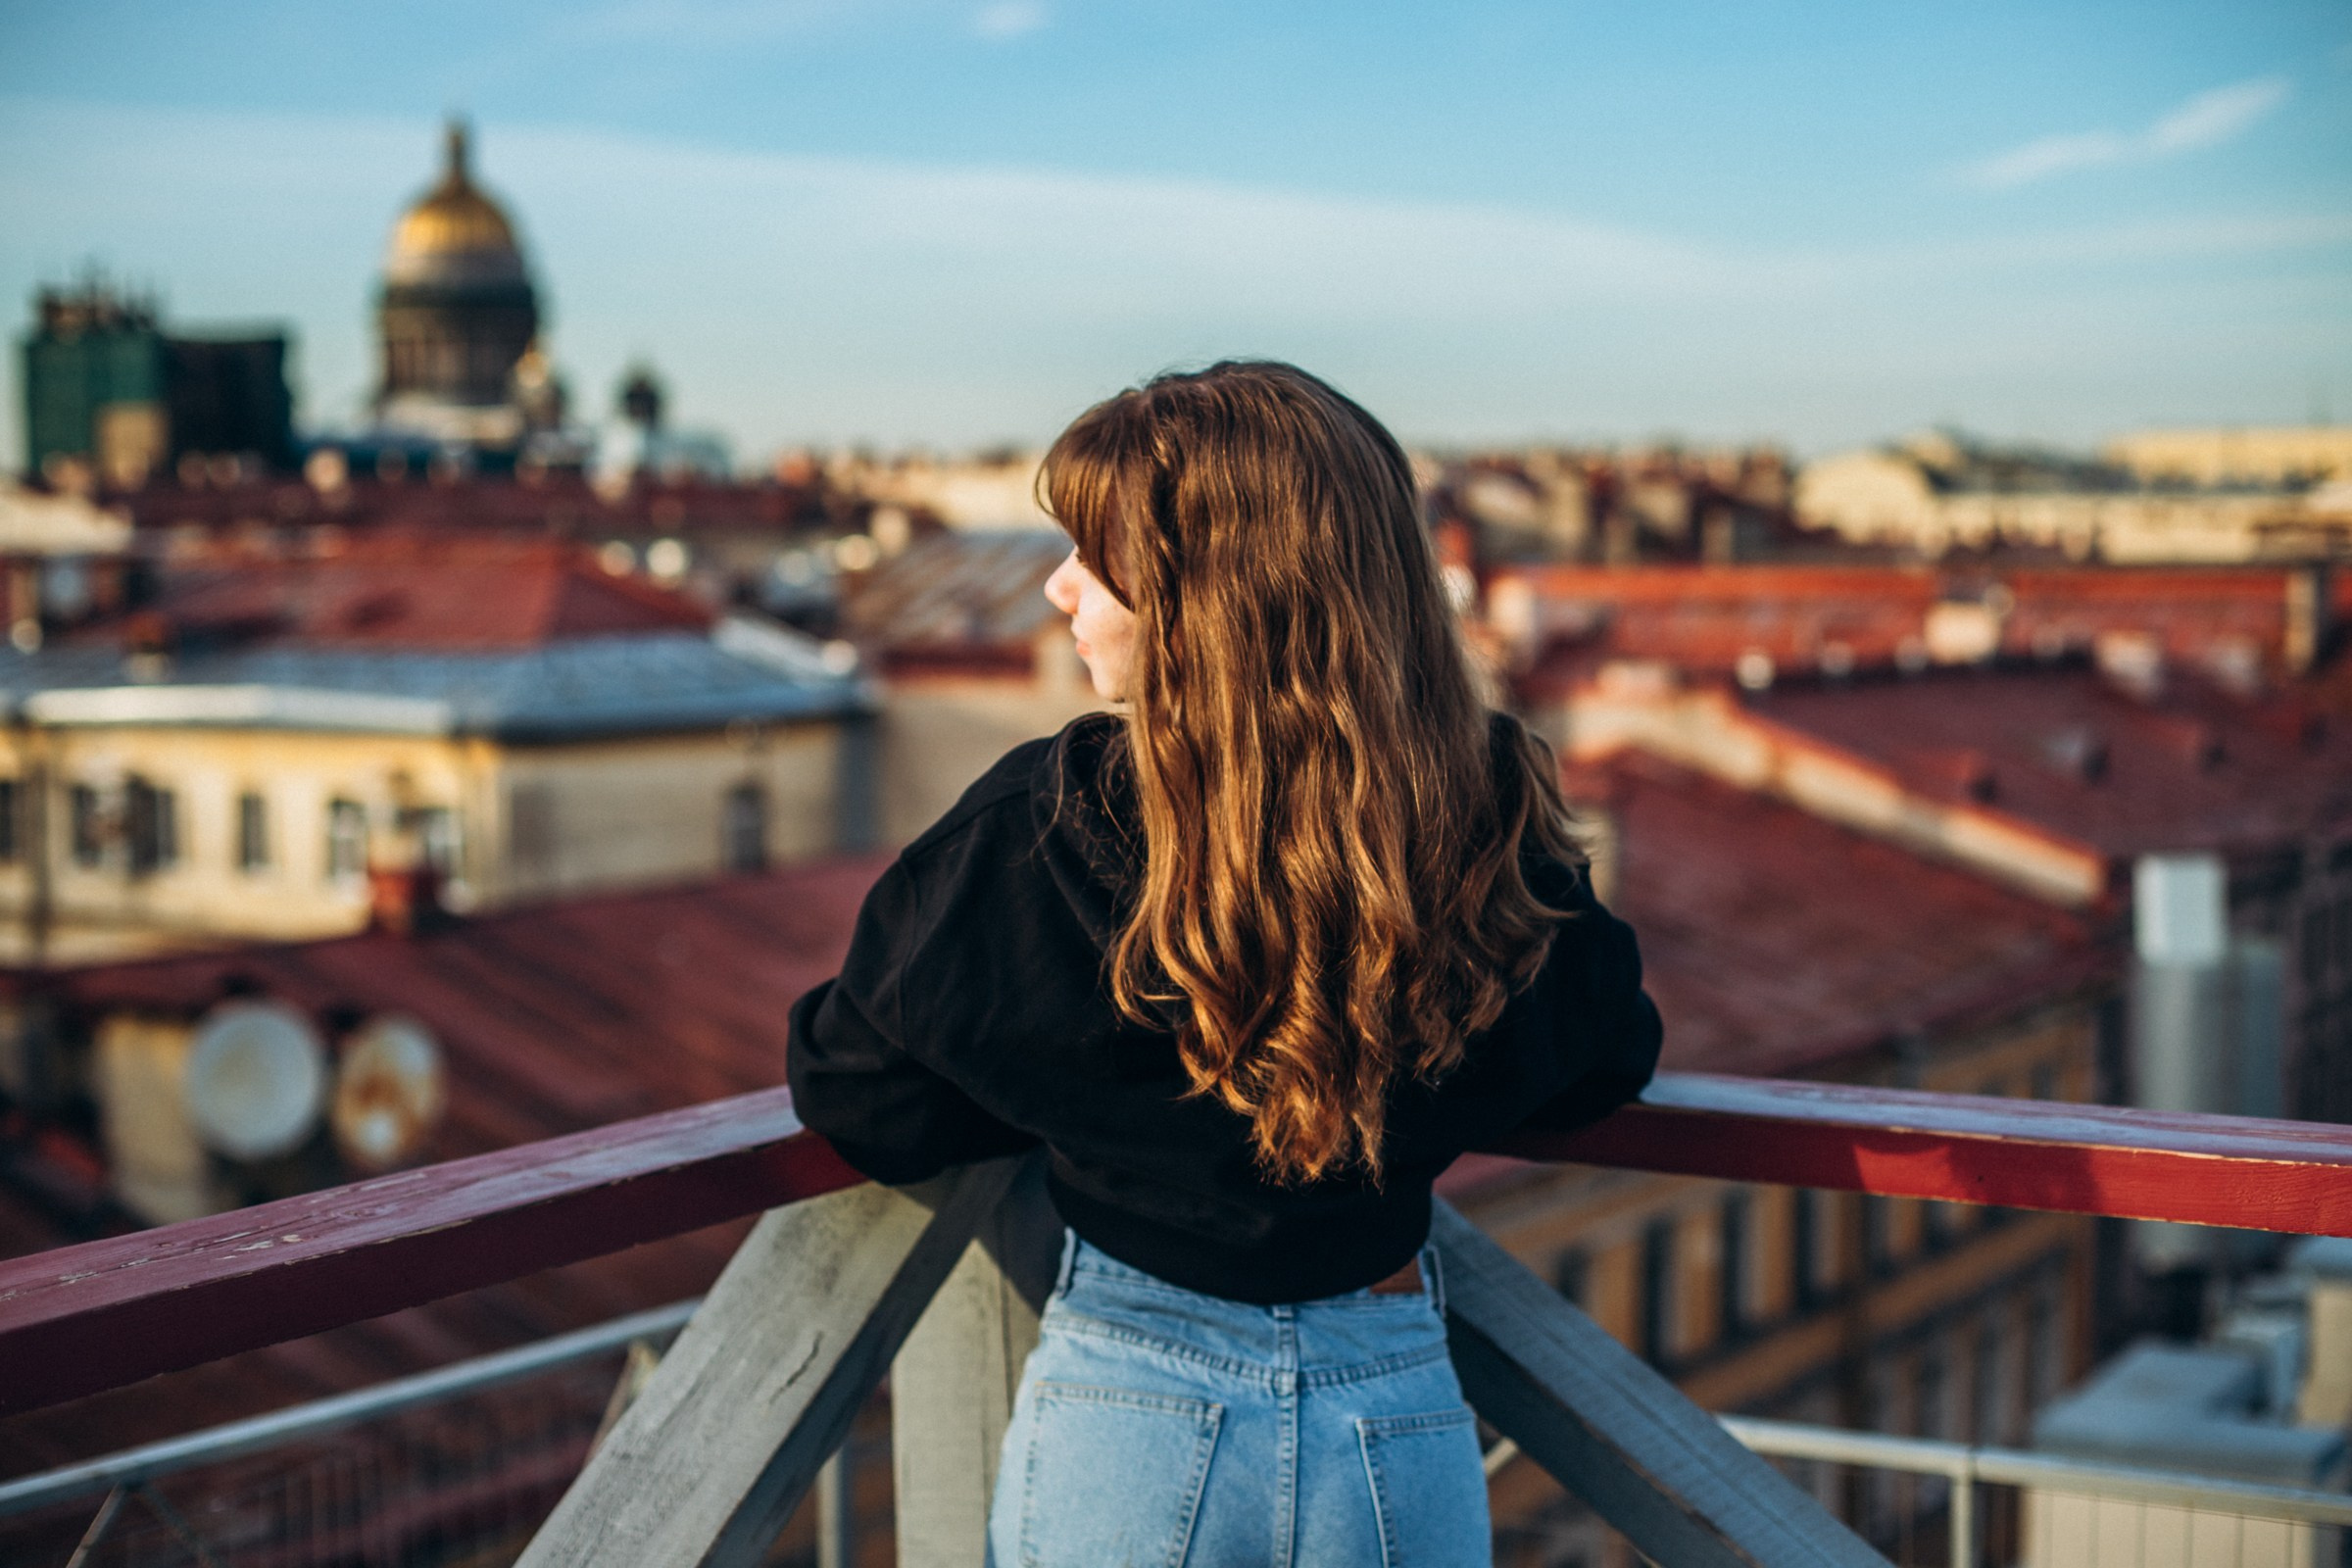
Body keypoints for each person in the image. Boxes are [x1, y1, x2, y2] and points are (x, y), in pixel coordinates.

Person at [787, 361, 1661, 1567]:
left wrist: (1086, 1103)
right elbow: (1603, 1059)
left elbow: (859, 1094)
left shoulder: (1042, 828)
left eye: (1094, 558)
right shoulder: (1480, 818)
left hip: (1132, 1412)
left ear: (1204, 599)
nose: (1057, 586)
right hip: (1392, 1414)